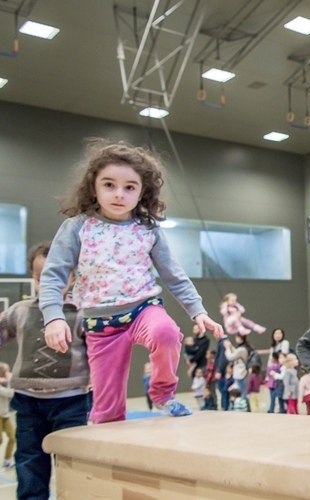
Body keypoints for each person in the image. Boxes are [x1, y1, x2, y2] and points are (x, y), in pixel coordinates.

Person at [40, 140, 224, 423]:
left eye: (129, 187)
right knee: (107, 411)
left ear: (142, 192)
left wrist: (197, 311)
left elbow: (174, 276)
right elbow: (53, 274)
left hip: (142, 309)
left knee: (166, 333)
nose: (119, 194)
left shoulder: (148, 229)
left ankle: (162, 393)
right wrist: (53, 317)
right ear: (93, 187)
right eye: (109, 184)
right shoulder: (78, 227)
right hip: (100, 324)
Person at [0, 241, 90, 499]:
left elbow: (100, 352)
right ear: (33, 277)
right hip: (28, 400)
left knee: (72, 460)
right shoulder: (20, 311)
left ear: (73, 278)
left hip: (71, 400)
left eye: (58, 278)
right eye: (42, 279)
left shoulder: (81, 313)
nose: (49, 284)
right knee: (29, 459)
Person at [0, 362, 15, 468]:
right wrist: (10, 381)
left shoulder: (3, 384)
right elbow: (10, 393)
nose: (8, 373)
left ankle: (7, 460)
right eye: (6, 372)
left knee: (12, 437)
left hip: (5, 415)